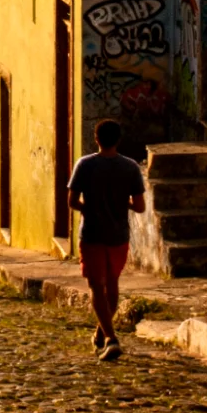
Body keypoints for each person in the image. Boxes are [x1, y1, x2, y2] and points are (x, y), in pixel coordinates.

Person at [67, 119, 146, 362]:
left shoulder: (85, 165)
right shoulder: (130, 167)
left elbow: (72, 201)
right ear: (118, 139)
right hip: (118, 235)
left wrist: (88, 209)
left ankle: (111, 338)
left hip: (92, 233)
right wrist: (123, 203)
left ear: (96, 139)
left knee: (95, 287)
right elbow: (140, 207)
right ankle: (102, 332)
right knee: (111, 284)